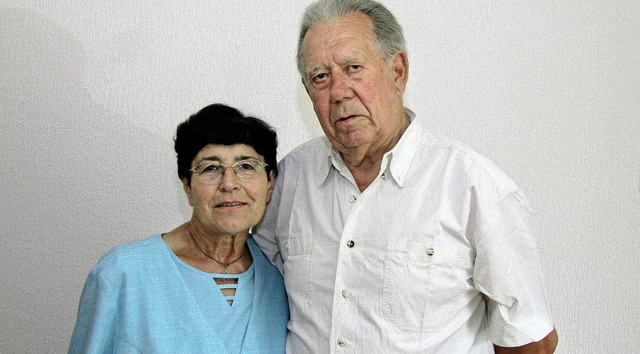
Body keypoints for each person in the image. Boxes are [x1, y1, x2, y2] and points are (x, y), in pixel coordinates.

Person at [253, 0, 558, 352]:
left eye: (353, 68)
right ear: (308, 91)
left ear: (397, 71)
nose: (338, 92)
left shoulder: (472, 185)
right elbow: (254, 288)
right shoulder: (289, 178)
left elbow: (530, 338)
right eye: (320, 77)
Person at [69, 104, 288, 353]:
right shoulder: (122, 274)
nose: (229, 184)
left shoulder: (280, 274)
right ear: (187, 187)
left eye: (247, 166)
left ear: (270, 184)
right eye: (211, 168)